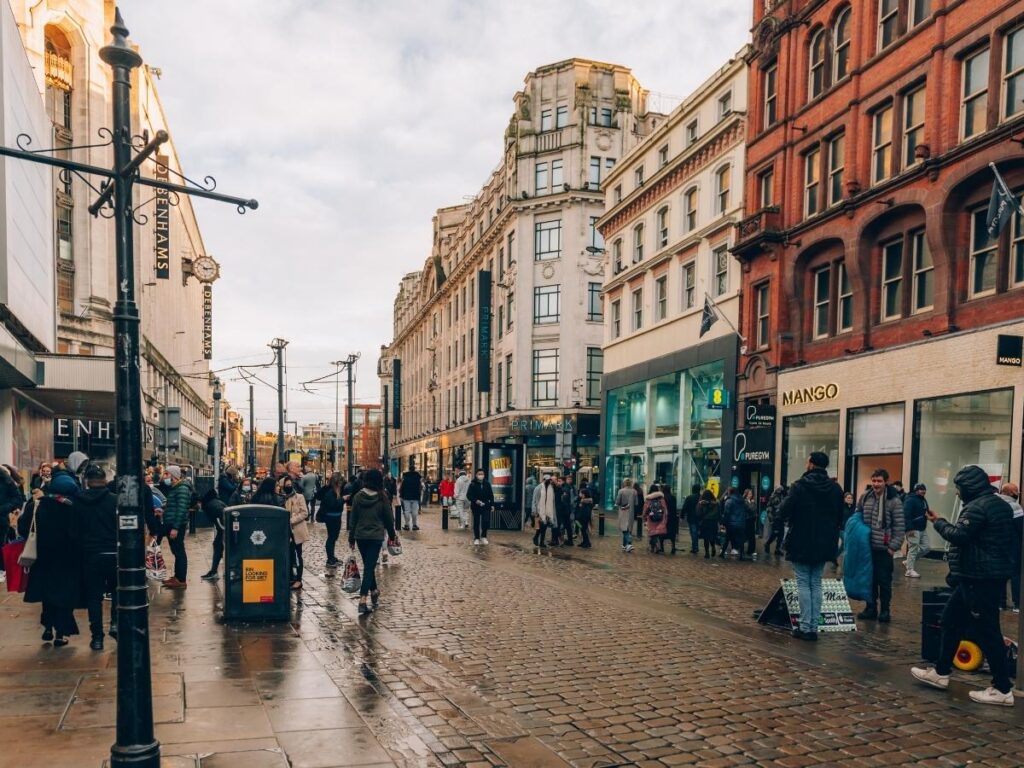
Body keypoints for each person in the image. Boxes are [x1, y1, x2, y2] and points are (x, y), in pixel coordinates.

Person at [911, 465, 1016, 707]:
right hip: (978, 576)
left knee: (987, 630)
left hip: (979, 577)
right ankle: (941, 672)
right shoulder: (999, 503)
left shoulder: (978, 507)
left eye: (958, 489)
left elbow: (959, 536)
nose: (957, 493)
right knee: (950, 620)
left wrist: (939, 523)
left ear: (969, 487)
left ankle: (1002, 688)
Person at [779, 451, 844, 641]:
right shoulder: (835, 488)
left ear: (812, 464)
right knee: (816, 582)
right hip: (824, 542)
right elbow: (840, 517)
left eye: (808, 461)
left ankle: (806, 626)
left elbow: (784, 510)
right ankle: (813, 625)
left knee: (803, 583)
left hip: (801, 539)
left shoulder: (799, 486)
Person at [20, 468, 82, 646]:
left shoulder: (37, 505)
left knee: (47, 594)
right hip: (68, 559)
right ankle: (61, 633)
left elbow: (24, 529)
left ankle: (47, 627)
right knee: (64, 595)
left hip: (43, 557)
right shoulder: (74, 507)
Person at [76, 464, 118, 650]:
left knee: (94, 597)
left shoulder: (78, 501)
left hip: (90, 554)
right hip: (113, 552)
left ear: (87, 481)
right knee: (117, 592)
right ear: (105, 479)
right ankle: (116, 624)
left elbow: (73, 531)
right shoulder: (115, 500)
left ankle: (97, 637)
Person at [856, 468, 904, 622]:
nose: (876, 484)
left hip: (884, 549)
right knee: (869, 580)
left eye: (879, 481)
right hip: (867, 548)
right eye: (874, 481)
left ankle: (885, 610)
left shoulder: (894, 501)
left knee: (884, 581)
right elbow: (857, 516)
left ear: (886, 482)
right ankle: (870, 608)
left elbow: (899, 526)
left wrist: (893, 547)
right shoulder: (865, 497)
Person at [348, 469, 397, 615]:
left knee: (369, 565)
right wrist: (392, 536)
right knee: (369, 567)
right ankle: (363, 599)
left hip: (361, 536)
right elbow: (389, 519)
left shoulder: (358, 496)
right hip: (376, 536)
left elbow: (353, 519)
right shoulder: (382, 497)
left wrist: (351, 538)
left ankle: (374, 591)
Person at [162, 466, 192, 589]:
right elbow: (174, 506)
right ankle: (177, 576)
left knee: (179, 551)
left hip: (176, 525)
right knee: (176, 551)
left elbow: (181, 509)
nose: (164, 477)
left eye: (166, 474)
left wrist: (175, 527)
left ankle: (181, 579)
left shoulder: (182, 489)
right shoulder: (176, 488)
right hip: (172, 523)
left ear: (173, 476)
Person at [280, 476, 309, 590]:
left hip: (296, 531)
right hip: (285, 532)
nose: (288, 487)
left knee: (298, 555)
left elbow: (304, 513)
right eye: (286, 485)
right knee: (288, 555)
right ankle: (291, 577)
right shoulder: (282, 499)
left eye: (289, 484)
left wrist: (291, 520)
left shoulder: (299, 497)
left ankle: (299, 580)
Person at [997, 482, 1022, 612]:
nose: (1017, 493)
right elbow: (1020, 529)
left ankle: (1001, 603)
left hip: (998, 545)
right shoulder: (1015, 506)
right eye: (1016, 491)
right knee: (1015, 575)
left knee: (1001, 574)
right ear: (1009, 492)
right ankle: (1017, 604)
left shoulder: (994, 503)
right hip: (1013, 545)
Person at [318, 473, 346, 566]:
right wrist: (343, 499)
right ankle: (330, 559)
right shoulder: (330, 491)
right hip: (331, 517)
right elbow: (333, 504)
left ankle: (332, 557)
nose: (341, 483)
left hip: (336, 516)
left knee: (333, 538)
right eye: (340, 482)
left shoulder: (336, 490)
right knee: (331, 538)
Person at [902, 483, 929, 579]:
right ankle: (909, 571)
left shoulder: (923, 500)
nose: (923, 491)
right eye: (921, 489)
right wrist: (909, 528)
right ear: (916, 490)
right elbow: (906, 515)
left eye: (924, 489)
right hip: (913, 528)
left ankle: (908, 562)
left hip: (922, 528)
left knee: (926, 548)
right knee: (913, 548)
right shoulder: (910, 499)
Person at [199, 488, 227, 581]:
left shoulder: (209, 506)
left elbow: (220, 521)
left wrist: (222, 530)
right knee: (218, 546)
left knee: (218, 546)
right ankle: (214, 571)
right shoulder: (216, 502)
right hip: (225, 528)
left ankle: (214, 571)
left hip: (225, 529)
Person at [467, 468, 494, 545]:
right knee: (476, 521)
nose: (481, 475)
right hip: (476, 505)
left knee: (486, 521)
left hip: (485, 505)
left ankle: (484, 536)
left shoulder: (487, 484)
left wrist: (492, 504)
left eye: (482, 474)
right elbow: (469, 495)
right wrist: (476, 500)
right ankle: (476, 537)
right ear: (476, 475)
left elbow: (491, 495)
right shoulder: (472, 484)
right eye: (479, 474)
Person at [721, 487, 747, 560]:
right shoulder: (742, 500)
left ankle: (722, 552)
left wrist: (724, 522)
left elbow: (726, 513)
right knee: (741, 539)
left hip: (731, 523)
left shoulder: (729, 501)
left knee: (727, 538)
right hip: (741, 522)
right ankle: (742, 555)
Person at [643, 485, 668, 554]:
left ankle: (654, 547)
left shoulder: (648, 499)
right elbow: (665, 509)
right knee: (658, 533)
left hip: (651, 518)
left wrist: (644, 517)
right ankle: (657, 547)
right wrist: (664, 518)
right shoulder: (661, 499)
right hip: (660, 518)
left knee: (652, 533)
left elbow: (645, 509)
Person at [533, 474, 556, 547]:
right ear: (543, 480)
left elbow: (552, 501)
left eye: (549, 480)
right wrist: (534, 510)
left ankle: (541, 541)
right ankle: (536, 538)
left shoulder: (551, 488)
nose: (548, 481)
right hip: (539, 510)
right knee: (540, 526)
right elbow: (534, 500)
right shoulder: (538, 488)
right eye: (547, 480)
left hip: (548, 510)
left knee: (544, 526)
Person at [763, 485, 787, 556]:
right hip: (775, 518)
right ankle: (767, 544)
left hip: (781, 518)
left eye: (780, 489)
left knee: (781, 534)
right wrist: (771, 519)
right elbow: (769, 508)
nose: (780, 490)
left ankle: (777, 548)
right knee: (775, 533)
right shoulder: (773, 497)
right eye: (778, 489)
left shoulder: (782, 496)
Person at [615, 478, 637, 553]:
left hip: (623, 511)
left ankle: (629, 544)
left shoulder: (621, 491)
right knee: (628, 529)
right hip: (631, 512)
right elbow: (636, 503)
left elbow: (617, 502)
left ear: (624, 483)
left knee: (624, 529)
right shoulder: (634, 491)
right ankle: (624, 545)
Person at [697, 490, 720, 558]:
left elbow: (699, 513)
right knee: (712, 536)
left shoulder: (702, 503)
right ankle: (713, 547)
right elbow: (719, 513)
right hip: (713, 522)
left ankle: (707, 553)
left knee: (706, 538)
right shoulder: (716, 503)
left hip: (705, 522)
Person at [682, 484, 701, 554]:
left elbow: (685, 507)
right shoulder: (702, 497)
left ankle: (695, 547)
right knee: (697, 532)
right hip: (700, 518)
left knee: (693, 532)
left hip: (691, 518)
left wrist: (682, 516)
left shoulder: (689, 497)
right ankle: (696, 546)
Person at [662, 484, 679, 554]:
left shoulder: (662, 498)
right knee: (672, 533)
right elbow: (674, 508)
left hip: (664, 517)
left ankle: (662, 547)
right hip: (672, 517)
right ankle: (673, 547)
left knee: (662, 532)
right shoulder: (673, 498)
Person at [742, 488, 758, 558]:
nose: (751, 495)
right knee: (746, 535)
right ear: (746, 494)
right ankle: (742, 549)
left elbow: (754, 509)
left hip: (751, 520)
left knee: (752, 536)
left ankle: (751, 550)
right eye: (749, 494)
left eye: (751, 494)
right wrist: (752, 504)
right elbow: (750, 509)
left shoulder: (752, 501)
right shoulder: (745, 501)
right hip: (747, 520)